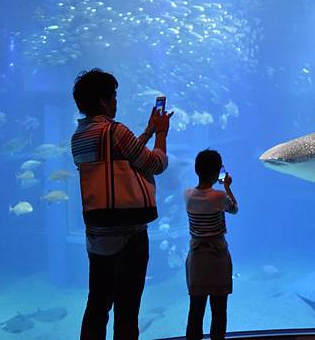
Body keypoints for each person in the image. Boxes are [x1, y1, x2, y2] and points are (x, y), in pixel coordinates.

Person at [71, 68, 173, 340]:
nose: (116, 102)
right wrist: (161, 134)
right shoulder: (114, 130)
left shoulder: (79, 137)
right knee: (127, 310)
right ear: (103, 100)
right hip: (128, 234)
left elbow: (120, 159)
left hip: (97, 235)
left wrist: (148, 130)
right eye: (114, 96)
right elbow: (155, 163)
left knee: (97, 305)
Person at [184, 149, 238, 340]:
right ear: (218, 173)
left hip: (197, 259)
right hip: (217, 259)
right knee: (219, 311)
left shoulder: (187, 195)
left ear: (197, 170)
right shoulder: (219, 197)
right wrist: (227, 186)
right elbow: (234, 208)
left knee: (195, 311)